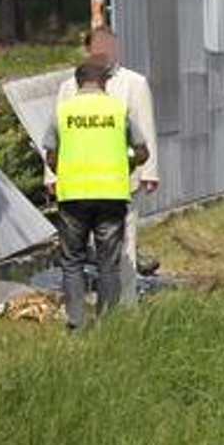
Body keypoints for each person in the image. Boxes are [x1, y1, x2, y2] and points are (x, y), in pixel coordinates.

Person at [51, 26, 157, 303]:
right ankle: (92, 303)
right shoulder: (68, 87)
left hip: (119, 178)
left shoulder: (134, 83)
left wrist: (149, 171)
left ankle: (126, 305)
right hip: (76, 183)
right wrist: (50, 176)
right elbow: (56, 135)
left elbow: (145, 130)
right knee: (82, 250)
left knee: (124, 246)